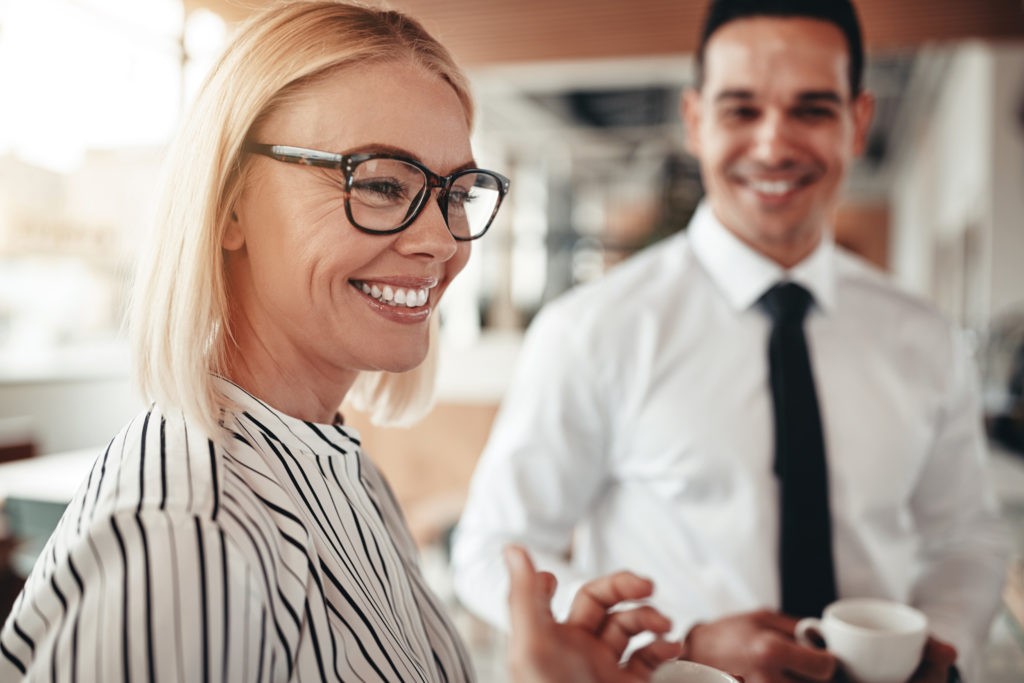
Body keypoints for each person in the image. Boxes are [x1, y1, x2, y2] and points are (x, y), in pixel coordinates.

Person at [0, 3, 683, 681]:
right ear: (229, 202)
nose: (442, 241)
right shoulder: (184, 536)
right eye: (383, 183)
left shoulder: (348, 470)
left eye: (457, 193)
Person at [451, 1, 1009, 682]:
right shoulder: (593, 330)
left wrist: (940, 647)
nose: (774, 145)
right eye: (741, 110)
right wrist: (668, 645)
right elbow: (491, 550)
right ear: (694, 120)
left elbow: (964, 539)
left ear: (858, 122)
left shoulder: (924, 335)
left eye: (811, 109)